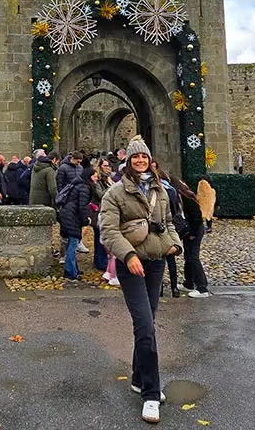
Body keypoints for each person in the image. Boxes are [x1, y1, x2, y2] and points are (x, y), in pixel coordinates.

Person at [99, 136, 183, 423]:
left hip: (156, 262)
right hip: (132, 266)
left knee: (147, 324)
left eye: (144, 157)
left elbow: (169, 221)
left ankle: (137, 378)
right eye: (135, 157)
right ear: (128, 161)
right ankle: (150, 393)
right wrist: (129, 256)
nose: (140, 161)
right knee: (145, 326)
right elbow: (108, 230)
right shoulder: (116, 193)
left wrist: (174, 244)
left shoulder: (159, 188)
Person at [151, 161, 186, 298]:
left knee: (159, 259)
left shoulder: (161, 190)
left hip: (161, 226)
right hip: (169, 225)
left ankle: (159, 289)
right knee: (169, 260)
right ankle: (174, 288)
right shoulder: (171, 189)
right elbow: (177, 208)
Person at [59, 168, 100, 280]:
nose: (97, 178)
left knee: (72, 243)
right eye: (95, 176)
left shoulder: (80, 185)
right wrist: (86, 220)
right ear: (90, 176)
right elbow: (81, 206)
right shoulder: (84, 188)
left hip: (68, 214)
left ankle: (73, 269)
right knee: (73, 243)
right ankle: (70, 271)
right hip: (71, 216)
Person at [174, 178, 210, 298]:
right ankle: (188, 282)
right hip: (190, 229)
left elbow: (196, 215)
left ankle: (202, 287)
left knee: (194, 257)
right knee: (188, 256)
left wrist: (193, 232)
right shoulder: (183, 195)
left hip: (195, 229)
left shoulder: (185, 198)